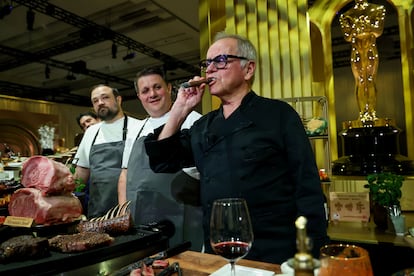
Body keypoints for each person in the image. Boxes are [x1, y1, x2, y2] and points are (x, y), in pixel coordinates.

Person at [144, 32, 330, 264]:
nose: (209, 69)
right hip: (219, 250)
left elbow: (307, 186)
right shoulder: (203, 125)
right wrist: (181, 108)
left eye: (220, 61)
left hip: (273, 251)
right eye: (206, 63)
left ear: (248, 69)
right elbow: (163, 160)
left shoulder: (278, 115)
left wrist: (313, 252)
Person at [118, 67, 204, 250]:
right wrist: (123, 214)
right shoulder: (136, 129)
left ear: (169, 88)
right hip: (141, 218)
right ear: (139, 96)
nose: (152, 94)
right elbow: (124, 174)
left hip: (182, 218)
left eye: (157, 87)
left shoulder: (194, 121)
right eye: (145, 91)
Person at [73, 84, 144, 218]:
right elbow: (82, 172)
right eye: (95, 101)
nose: (100, 103)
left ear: (118, 99)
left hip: (133, 207)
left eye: (105, 98)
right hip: (99, 210)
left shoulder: (139, 127)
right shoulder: (91, 133)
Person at [339, 0, 386, 124]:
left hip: (370, 47)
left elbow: (378, 30)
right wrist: (357, 28)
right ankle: (362, 113)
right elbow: (347, 36)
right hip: (357, 49)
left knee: (370, 79)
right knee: (359, 81)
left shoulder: (377, 9)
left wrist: (364, 26)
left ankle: (371, 111)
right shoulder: (347, 14)